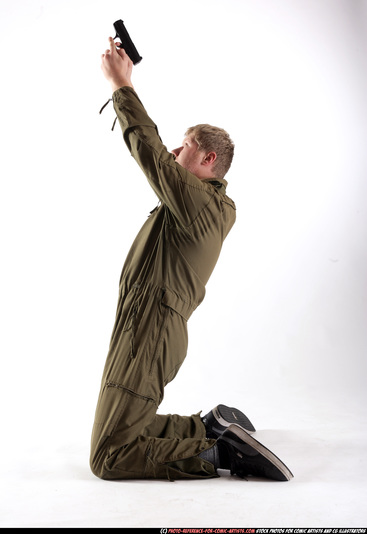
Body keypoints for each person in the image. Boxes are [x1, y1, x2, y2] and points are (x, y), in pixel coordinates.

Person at [90, 37, 293, 482]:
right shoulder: (194, 204)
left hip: (149, 328)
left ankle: (218, 451)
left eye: (183, 147)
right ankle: (207, 426)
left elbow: (149, 150)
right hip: (143, 324)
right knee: (115, 432)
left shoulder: (202, 203)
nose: (174, 153)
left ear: (208, 158)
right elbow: (158, 154)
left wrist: (121, 86)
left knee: (109, 457)